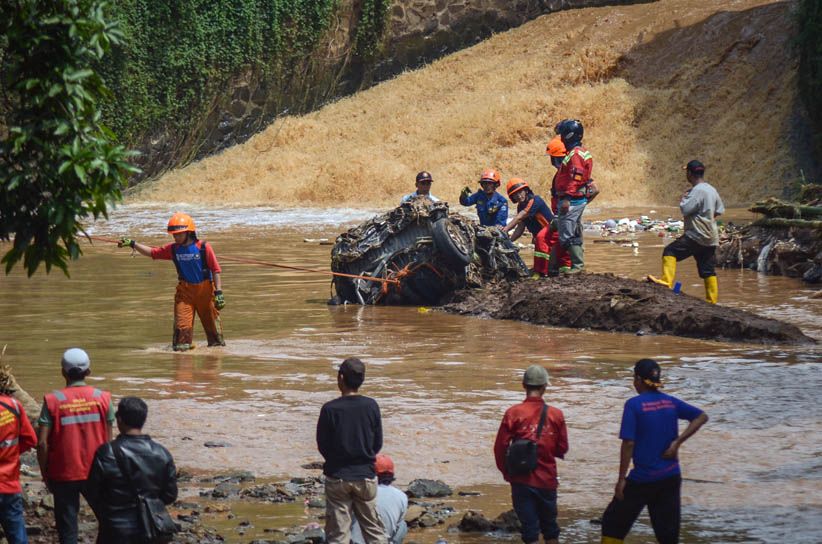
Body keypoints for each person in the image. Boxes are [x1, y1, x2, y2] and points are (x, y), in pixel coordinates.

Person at [600, 359, 708, 544]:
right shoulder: (670, 402)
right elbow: (701, 416)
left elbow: (628, 444)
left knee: (612, 524)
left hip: (643, 479)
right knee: (667, 535)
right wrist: (677, 443)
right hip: (670, 477)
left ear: (638, 380)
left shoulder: (633, 405)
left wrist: (621, 480)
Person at [37, 348, 114, 544]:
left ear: (62, 372)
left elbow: (42, 443)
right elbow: (109, 441)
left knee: (67, 528)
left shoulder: (53, 401)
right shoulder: (103, 398)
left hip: (63, 473)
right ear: (89, 371)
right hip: (96, 472)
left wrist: (45, 473)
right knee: (109, 521)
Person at [119, 212, 225, 351]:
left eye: (179, 234)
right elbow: (152, 253)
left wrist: (218, 292)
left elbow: (215, 270)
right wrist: (133, 244)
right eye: (174, 234)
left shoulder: (204, 247)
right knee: (181, 345)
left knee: (216, 342)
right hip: (185, 294)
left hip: (206, 293)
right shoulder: (173, 249)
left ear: (189, 232)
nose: (176, 237)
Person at [86, 396, 178, 544]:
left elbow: (92, 491)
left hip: (115, 527)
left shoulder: (106, 452)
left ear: (119, 420)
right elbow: (170, 495)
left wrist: (107, 512)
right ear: (144, 419)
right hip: (152, 527)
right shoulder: (162, 453)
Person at [493, 365, 569, 544]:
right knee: (551, 530)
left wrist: (506, 472)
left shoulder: (513, 413)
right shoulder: (556, 415)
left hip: (521, 480)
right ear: (544, 387)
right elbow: (562, 448)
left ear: (523, 386)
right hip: (547, 480)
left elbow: (500, 448)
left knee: (529, 531)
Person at [316, 358, 386, 544]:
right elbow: (377, 442)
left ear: (340, 378)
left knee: (338, 534)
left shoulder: (330, 409)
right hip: (365, 476)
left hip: (338, 476)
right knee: (374, 530)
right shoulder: (371, 405)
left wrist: (336, 460)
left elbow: (322, 445)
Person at [647, 160, 725, 303]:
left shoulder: (696, 191)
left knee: (670, 251)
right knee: (707, 269)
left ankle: (666, 281)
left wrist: (684, 198)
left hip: (696, 234)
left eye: (686, 172)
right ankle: (712, 301)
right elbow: (719, 210)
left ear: (690, 173)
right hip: (711, 237)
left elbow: (685, 209)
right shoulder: (712, 189)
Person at [553, 119, 598, 273]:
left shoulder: (575, 154)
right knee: (573, 231)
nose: (561, 139)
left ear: (569, 135)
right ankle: (561, 266)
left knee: (567, 234)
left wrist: (566, 198)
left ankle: (578, 266)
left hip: (571, 200)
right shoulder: (582, 152)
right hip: (577, 198)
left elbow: (576, 177)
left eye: (563, 135)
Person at [0, 366, 38, 544]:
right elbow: (30, 439)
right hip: (9, 483)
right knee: (17, 533)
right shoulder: (13, 405)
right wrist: (11, 454)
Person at [502, 178, 554, 279]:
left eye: (520, 192)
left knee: (539, 239)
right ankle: (540, 269)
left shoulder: (535, 200)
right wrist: (509, 241)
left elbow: (520, 217)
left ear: (526, 191)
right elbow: (520, 227)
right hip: (540, 236)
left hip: (551, 232)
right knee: (538, 241)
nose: (518, 196)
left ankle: (541, 272)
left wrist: (505, 229)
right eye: (515, 194)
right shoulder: (520, 207)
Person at [351, 454, 408, 544]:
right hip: (383, 541)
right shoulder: (402, 496)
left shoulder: (359, 491)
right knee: (402, 524)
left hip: (357, 542)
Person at [545, 135, 572, 274]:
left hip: (564, 214)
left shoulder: (567, 173)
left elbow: (593, 188)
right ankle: (556, 268)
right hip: (559, 213)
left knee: (563, 240)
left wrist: (575, 208)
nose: (554, 162)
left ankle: (560, 268)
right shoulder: (561, 174)